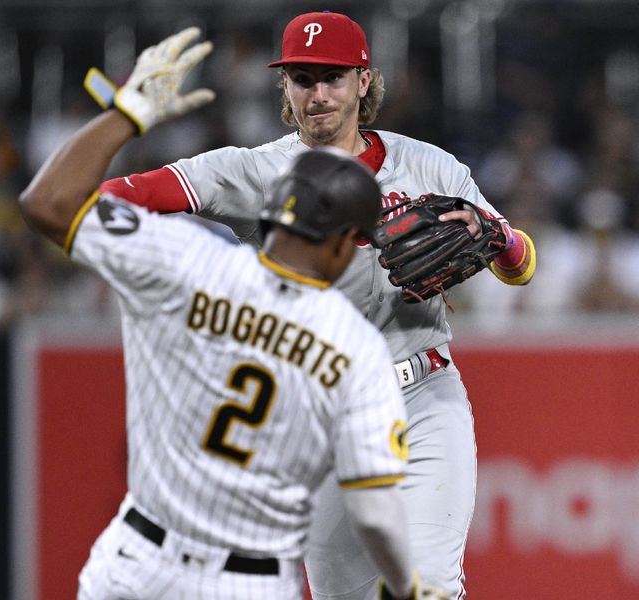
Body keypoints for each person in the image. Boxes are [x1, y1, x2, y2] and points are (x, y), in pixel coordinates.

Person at [32, 14, 538, 597]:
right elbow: (120, 196)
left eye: (333, 77)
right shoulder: (252, 170)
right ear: (285, 87)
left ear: (364, 81)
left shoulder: (429, 164)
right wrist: (119, 133)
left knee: (429, 586)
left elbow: (521, 266)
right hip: (323, 408)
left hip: (425, 394)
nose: (318, 94)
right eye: (302, 78)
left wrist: (499, 239)